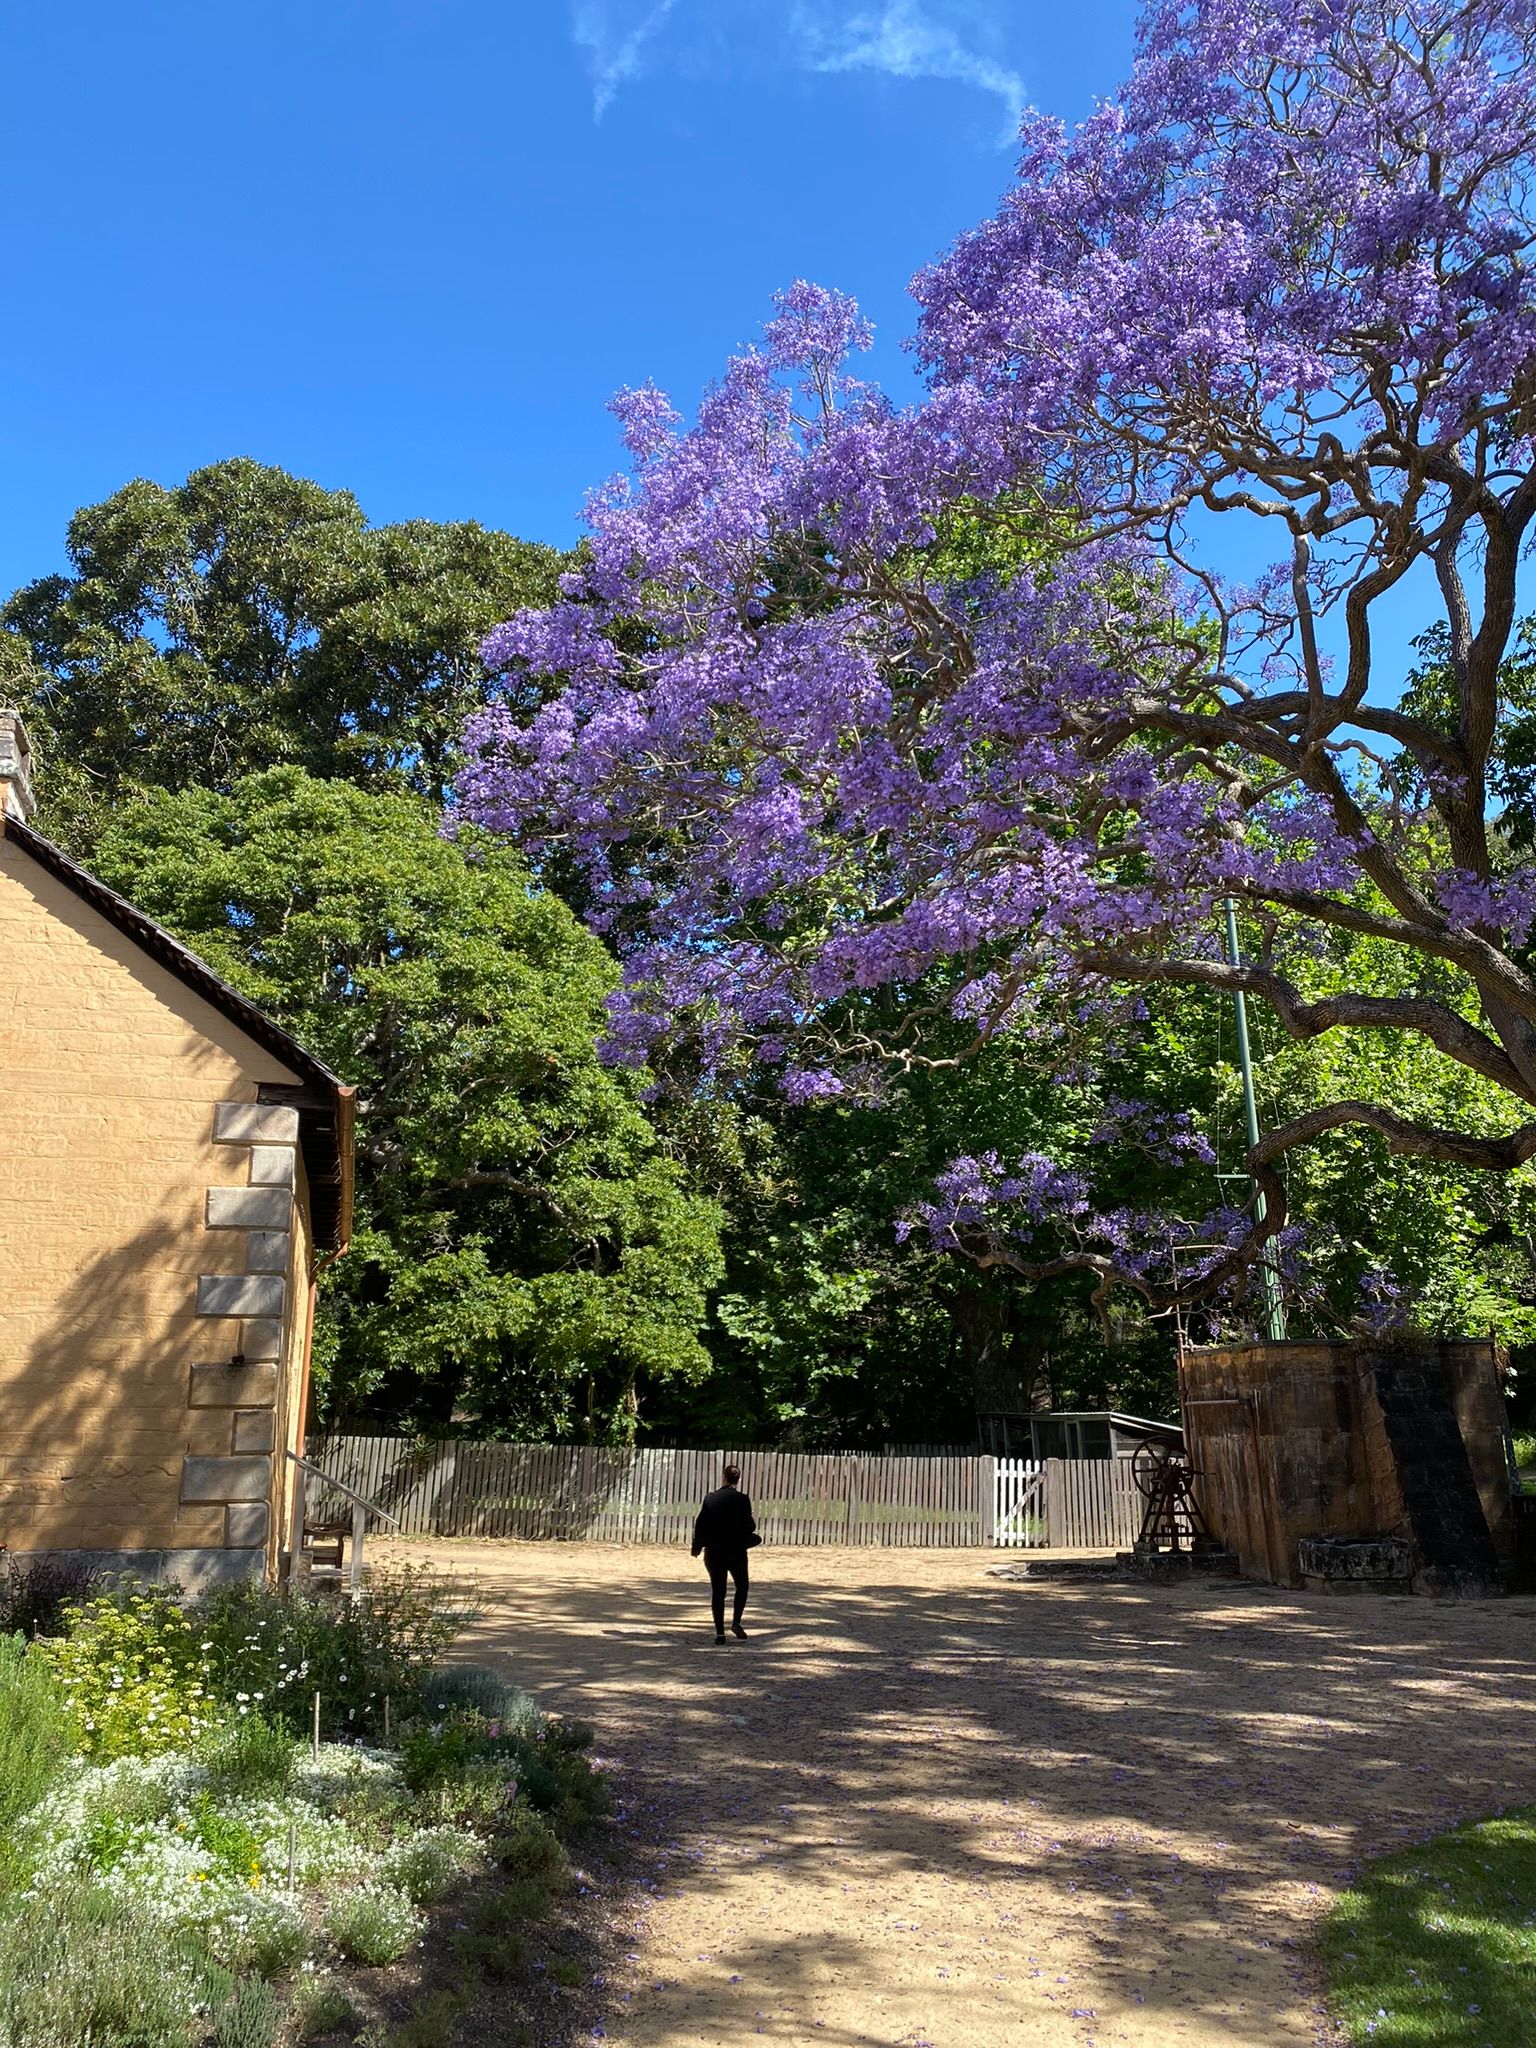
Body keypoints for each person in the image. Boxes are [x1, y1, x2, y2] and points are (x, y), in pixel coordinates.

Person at [691, 1463, 758, 1642]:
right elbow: (750, 1525)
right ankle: (736, 1622)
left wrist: (696, 1546)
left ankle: (720, 1634)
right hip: (736, 1550)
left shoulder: (710, 1498)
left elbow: (701, 1523)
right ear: (739, 1479)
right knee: (742, 1586)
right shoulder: (743, 1499)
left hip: (714, 1551)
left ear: (724, 1477)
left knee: (718, 1591)